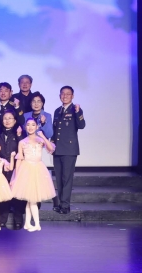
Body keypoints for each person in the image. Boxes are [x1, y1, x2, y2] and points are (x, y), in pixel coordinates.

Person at [11, 118, 56, 232]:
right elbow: (19, 159)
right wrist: (16, 176)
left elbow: (51, 149)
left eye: (33, 125)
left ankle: (30, 223)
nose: (30, 127)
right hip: (26, 170)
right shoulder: (22, 142)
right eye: (28, 125)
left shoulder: (40, 140)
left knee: (32, 199)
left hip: (38, 169)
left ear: (37, 126)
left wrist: (43, 136)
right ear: (25, 127)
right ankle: (35, 224)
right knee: (31, 200)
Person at [51, 86, 86, 214]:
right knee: (59, 178)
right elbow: (55, 130)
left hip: (69, 150)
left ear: (72, 96)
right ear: (59, 95)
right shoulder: (57, 111)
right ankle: (61, 203)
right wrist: (51, 144)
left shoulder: (75, 109)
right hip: (57, 149)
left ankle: (65, 205)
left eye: (68, 94)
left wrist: (78, 112)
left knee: (66, 178)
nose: (65, 96)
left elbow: (81, 125)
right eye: (63, 94)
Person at [0, 110, 25, 230]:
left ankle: (18, 220)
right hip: (2, 168)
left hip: (16, 167)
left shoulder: (20, 133)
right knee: (3, 193)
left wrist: (19, 136)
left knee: (16, 194)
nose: (7, 121)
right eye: (5, 118)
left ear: (15, 120)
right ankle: (2, 219)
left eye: (10, 118)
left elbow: (23, 150)